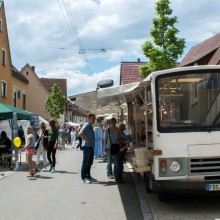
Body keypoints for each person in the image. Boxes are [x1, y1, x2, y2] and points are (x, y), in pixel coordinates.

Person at [79, 114, 96, 184]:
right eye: (92, 118)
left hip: (90, 146)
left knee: (90, 162)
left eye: (94, 119)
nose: (94, 120)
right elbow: (80, 133)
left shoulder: (90, 126)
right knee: (86, 162)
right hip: (87, 146)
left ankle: (88, 176)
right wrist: (87, 140)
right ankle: (84, 177)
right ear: (88, 118)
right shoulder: (87, 125)